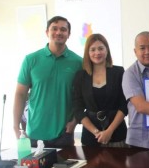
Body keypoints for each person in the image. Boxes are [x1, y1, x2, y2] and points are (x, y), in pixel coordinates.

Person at [13, 16, 82, 147]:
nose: (59, 32)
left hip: (63, 133)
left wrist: (74, 121)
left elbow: (83, 96)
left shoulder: (78, 62)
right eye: (54, 29)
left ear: (69, 34)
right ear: (47, 32)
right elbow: (20, 94)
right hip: (33, 133)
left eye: (63, 29)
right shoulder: (31, 60)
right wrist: (16, 127)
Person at [73, 34, 128, 147]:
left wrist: (109, 131)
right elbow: (77, 109)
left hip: (117, 134)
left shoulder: (119, 72)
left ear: (107, 50)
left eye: (101, 48)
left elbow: (124, 105)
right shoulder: (80, 76)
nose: (97, 53)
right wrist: (96, 132)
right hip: (90, 137)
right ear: (87, 53)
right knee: (92, 165)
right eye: (92, 49)